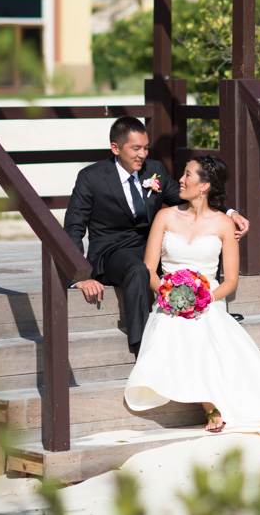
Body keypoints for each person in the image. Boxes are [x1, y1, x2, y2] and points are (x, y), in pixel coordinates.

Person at [124, 155, 260, 439]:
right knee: (176, 325)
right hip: (168, 301)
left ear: (204, 186)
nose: (180, 179)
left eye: (188, 174)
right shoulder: (165, 217)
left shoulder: (223, 224)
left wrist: (201, 300)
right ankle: (211, 405)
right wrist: (168, 295)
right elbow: (148, 269)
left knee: (206, 329)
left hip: (209, 299)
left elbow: (230, 281)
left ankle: (216, 402)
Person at [64, 116, 249, 357]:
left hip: (149, 246)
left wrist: (231, 213)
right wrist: (79, 277)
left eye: (146, 147)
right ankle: (143, 344)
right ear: (115, 148)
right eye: (136, 148)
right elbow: (74, 226)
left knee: (198, 249)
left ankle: (212, 315)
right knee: (139, 270)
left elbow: (193, 197)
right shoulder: (92, 176)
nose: (143, 154)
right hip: (111, 252)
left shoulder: (155, 170)